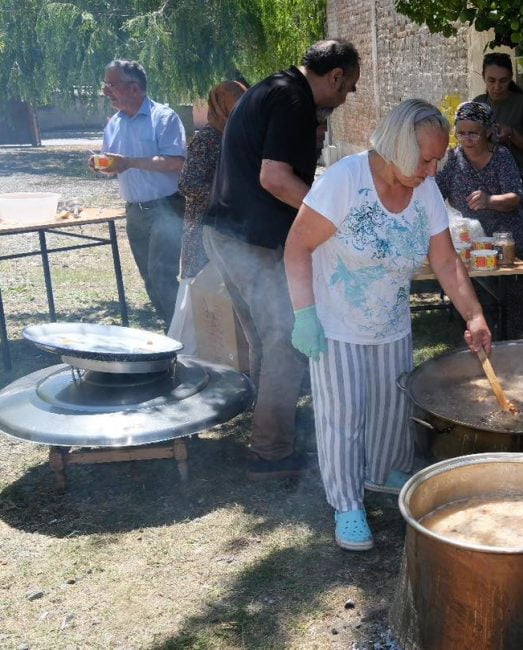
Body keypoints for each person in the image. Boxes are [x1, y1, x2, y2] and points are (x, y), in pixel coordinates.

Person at [284, 99, 492, 551]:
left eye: (439, 159)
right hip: (336, 325)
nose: (434, 170)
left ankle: (383, 473)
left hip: (391, 322)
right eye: (427, 159)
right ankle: (346, 504)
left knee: (389, 411)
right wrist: (304, 314)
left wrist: (474, 315)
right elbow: (296, 247)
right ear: (397, 145)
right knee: (344, 419)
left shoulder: (425, 191)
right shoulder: (345, 181)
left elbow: (445, 260)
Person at [203, 39, 360, 480]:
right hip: (251, 240)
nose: (345, 98)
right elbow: (274, 178)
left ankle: (268, 429)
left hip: (227, 234)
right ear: (334, 76)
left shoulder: (271, 87)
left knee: (263, 339)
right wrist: (329, 221)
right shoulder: (294, 99)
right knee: (286, 341)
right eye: (348, 89)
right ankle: (271, 452)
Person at [90, 59, 187, 325]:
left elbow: (175, 161)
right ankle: (176, 331)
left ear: (134, 88)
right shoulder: (115, 123)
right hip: (135, 212)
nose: (106, 91)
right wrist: (102, 166)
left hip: (166, 208)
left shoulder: (163, 117)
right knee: (149, 278)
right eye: (105, 85)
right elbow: (113, 162)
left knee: (161, 276)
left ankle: (185, 336)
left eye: (111, 85)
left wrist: (129, 162)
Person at [435, 101, 523, 338]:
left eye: (473, 133)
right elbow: (435, 195)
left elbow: (515, 197)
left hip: (507, 240)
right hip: (470, 244)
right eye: (461, 133)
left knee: (514, 300)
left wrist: (489, 200)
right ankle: (478, 344)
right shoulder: (452, 160)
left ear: (488, 131)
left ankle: (516, 344)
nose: (466, 139)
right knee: (473, 298)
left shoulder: (501, 157)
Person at [169, 80, 248, 352]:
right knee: (197, 302)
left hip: (229, 232)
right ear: (220, 106)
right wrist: (225, 196)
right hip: (202, 231)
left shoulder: (237, 138)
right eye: (234, 106)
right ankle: (188, 359)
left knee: (223, 303)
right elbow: (188, 184)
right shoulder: (207, 139)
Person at [473, 52, 523, 212]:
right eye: (492, 80)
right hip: (481, 184)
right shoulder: (478, 103)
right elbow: (466, 142)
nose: (497, 87)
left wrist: (511, 134)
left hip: (512, 186)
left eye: (503, 81)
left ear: (511, 77)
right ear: (483, 77)